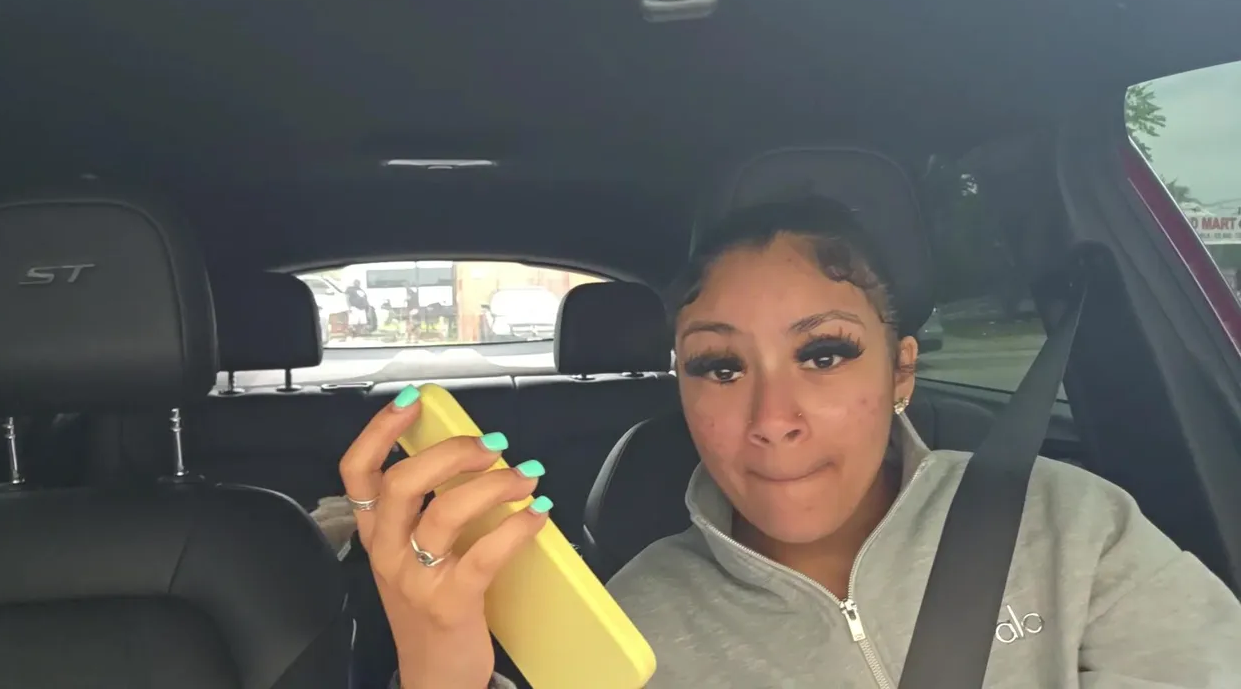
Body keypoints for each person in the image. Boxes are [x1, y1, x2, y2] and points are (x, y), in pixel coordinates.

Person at [337, 197, 1241, 688]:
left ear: (901, 371)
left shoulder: (1063, 522)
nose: (773, 416)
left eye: (824, 354)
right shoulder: (634, 618)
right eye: (720, 367)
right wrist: (438, 672)